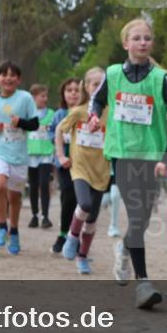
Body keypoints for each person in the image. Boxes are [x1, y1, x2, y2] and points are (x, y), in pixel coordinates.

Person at [87, 18, 167, 308]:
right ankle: (143, 282)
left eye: (147, 38)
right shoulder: (112, 74)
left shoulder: (161, 78)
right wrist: (93, 116)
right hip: (122, 153)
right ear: (126, 43)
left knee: (141, 217)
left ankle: (125, 248)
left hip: (152, 157)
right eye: (137, 38)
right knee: (136, 214)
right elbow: (97, 101)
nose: (143, 42)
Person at [0, 61, 39, 255]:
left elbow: (35, 124)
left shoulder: (25, 98)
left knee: (14, 196)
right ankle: (2, 227)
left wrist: (21, 122)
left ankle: (14, 230)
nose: (8, 78)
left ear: (18, 79)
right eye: (4, 75)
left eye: (13, 75)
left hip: (19, 155)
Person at [56, 68, 109, 275]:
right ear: (86, 87)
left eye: (103, 84)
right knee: (84, 204)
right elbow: (59, 130)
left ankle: (83, 256)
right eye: (95, 84)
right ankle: (72, 235)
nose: (99, 87)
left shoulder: (110, 112)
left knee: (92, 219)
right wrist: (61, 156)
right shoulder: (79, 111)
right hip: (80, 167)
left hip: (101, 170)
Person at [50, 77, 84, 254]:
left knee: (81, 202)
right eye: (69, 90)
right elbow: (51, 133)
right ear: (63, 94)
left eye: (77, 90)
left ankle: (75, 236)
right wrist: (60, 140)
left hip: (84, 164)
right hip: (64, 164)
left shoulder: (87, 112)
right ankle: (63, 234)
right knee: (67, 198)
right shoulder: (59, 114)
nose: (73, 93)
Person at [26, 83, 55, 229]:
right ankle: (34, 215)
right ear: (33, 98)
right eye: (42, 96)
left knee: (44, 184)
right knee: (33, 185)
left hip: (46, 153)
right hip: (31, 153)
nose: (45, 99)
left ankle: (45, 216)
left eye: (46, 96)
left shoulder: (51, 114)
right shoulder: (27, 114)